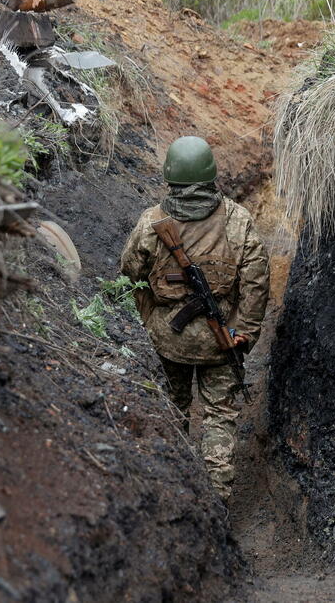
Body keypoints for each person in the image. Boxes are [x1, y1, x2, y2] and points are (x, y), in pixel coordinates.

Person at [120, 136, 270, 500]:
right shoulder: (238, 221)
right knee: (220, 417)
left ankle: (175, 490)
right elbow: (256, 282)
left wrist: (147, 321)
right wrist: (244, 332)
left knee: (173, 409)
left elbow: (130, 277)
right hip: (221, 341)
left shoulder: (151, 221)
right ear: (210, 174)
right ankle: (217, 498)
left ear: (170, 174)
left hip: (167, 340)